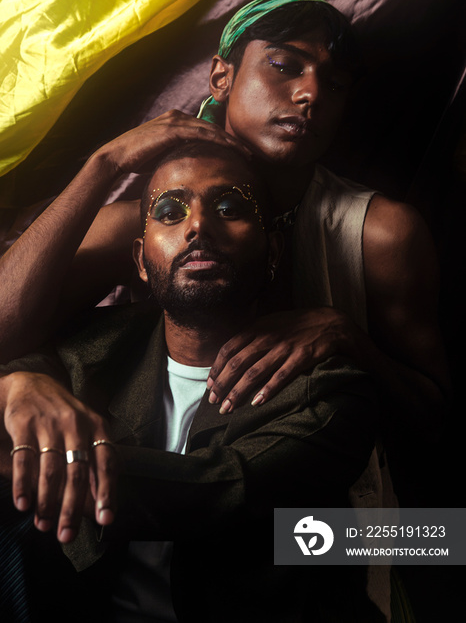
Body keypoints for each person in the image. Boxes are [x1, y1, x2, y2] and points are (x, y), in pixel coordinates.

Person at [0, 0, 449, 453]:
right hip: (153, 485)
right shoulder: (148, 226)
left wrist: (346, 336)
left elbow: (437, 418)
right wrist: (104, 164)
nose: (310, 94)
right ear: (221, 77)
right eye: (284, 65)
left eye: (334, 84)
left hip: (324, 510)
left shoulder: (379, 234)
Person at [0, 141, 387, 622]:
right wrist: (17, 384)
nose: (198, 225)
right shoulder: (91, 346)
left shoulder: (327, 389)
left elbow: (214, 491)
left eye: (229, 207)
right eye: (169, 211)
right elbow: (21, 358)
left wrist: (25, 461)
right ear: (140, 261)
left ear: (273, 250)